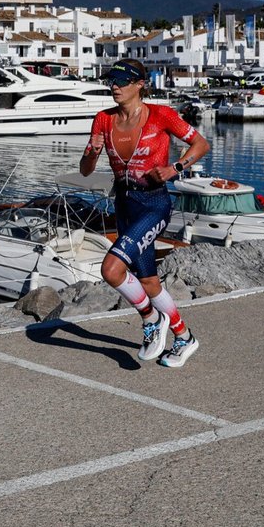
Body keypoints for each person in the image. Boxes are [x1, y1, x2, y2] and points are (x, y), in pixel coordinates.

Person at [80, 59, 211, 368]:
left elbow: (200, 143)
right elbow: (85, 171)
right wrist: (93, 150)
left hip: (154, 204)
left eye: (122, 81)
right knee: (150, 282)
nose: (114, 86)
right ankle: (184, 336)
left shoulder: (161, 116)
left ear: (139, 84)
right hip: (125, 204)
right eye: (111, 80)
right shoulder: (102, 120)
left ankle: (151, 320)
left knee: (111, 270)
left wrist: (174, 168)